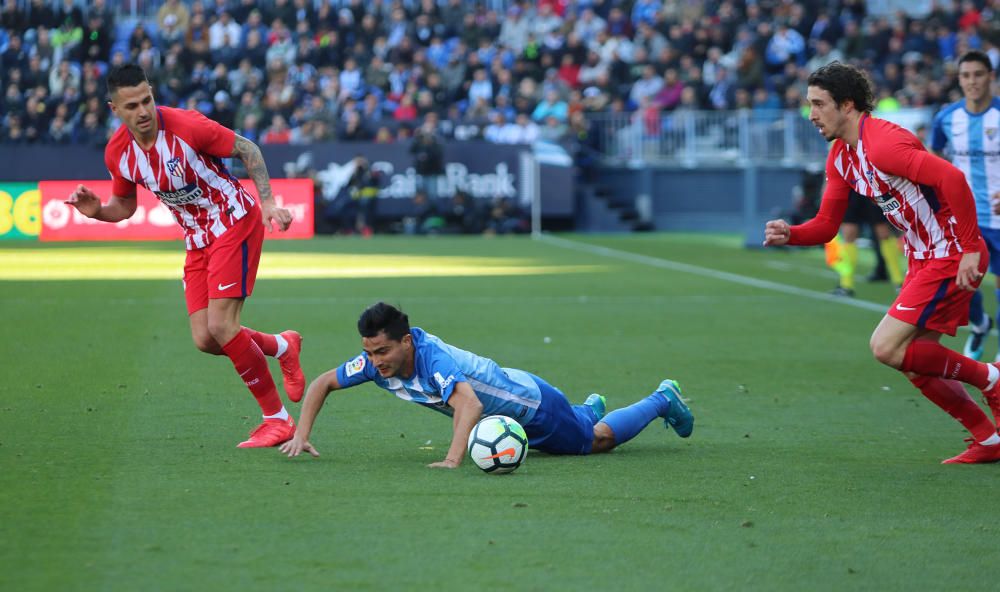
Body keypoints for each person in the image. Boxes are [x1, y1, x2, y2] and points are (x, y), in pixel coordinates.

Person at [763, 61, 1000, 464]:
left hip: (949, 254)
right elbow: (826, 225)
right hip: (923, 260)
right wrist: (794, 233)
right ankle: (989, 439)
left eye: (819, 104)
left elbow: (953, 180)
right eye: (809, 104)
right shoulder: (841, 155)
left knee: (885, 347)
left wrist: (972, 247)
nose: (812, 115)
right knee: (913, 362)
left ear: (848, 105)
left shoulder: (884, 144)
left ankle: (992, 379)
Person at [63, 64, 304, 448]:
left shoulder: (187, 127)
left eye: (147, 100)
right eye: (132, 105)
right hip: (197, 240)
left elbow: (247, 149)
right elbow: (124, 208)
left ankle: (277, 419)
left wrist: (269, 202)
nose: (143, 111)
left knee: (224, 326)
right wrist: (96, 211)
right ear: (114, 109)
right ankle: (281, 346)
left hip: (234, 221)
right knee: (207, 338)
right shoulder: (118, 154)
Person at [280, 302, 695, 467]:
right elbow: (321, 383)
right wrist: (301, 435)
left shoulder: (432, 360)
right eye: (369, 353)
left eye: (383, 352)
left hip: (533, 407)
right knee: (578, 428)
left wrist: (452, 459)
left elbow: (471, 407)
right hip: (516, 401)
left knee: (595, 442)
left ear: (406, 342)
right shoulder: (376, 362)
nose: (375, 362)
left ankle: (662, 398)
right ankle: (587, 407)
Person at [931, 51, 1000, 362]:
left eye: (978, 74)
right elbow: (933, 162)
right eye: (966, 75)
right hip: (965, 221)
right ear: (959, 80)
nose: (972, 81)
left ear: (991, 77)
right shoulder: (947, 118)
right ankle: (981, 324)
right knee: (963, 286)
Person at [827, 190, 904, 297]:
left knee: (883, 233)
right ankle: (846, 285)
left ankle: (899, 282)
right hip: (849, 189)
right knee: (849, 233)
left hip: (870, 186)